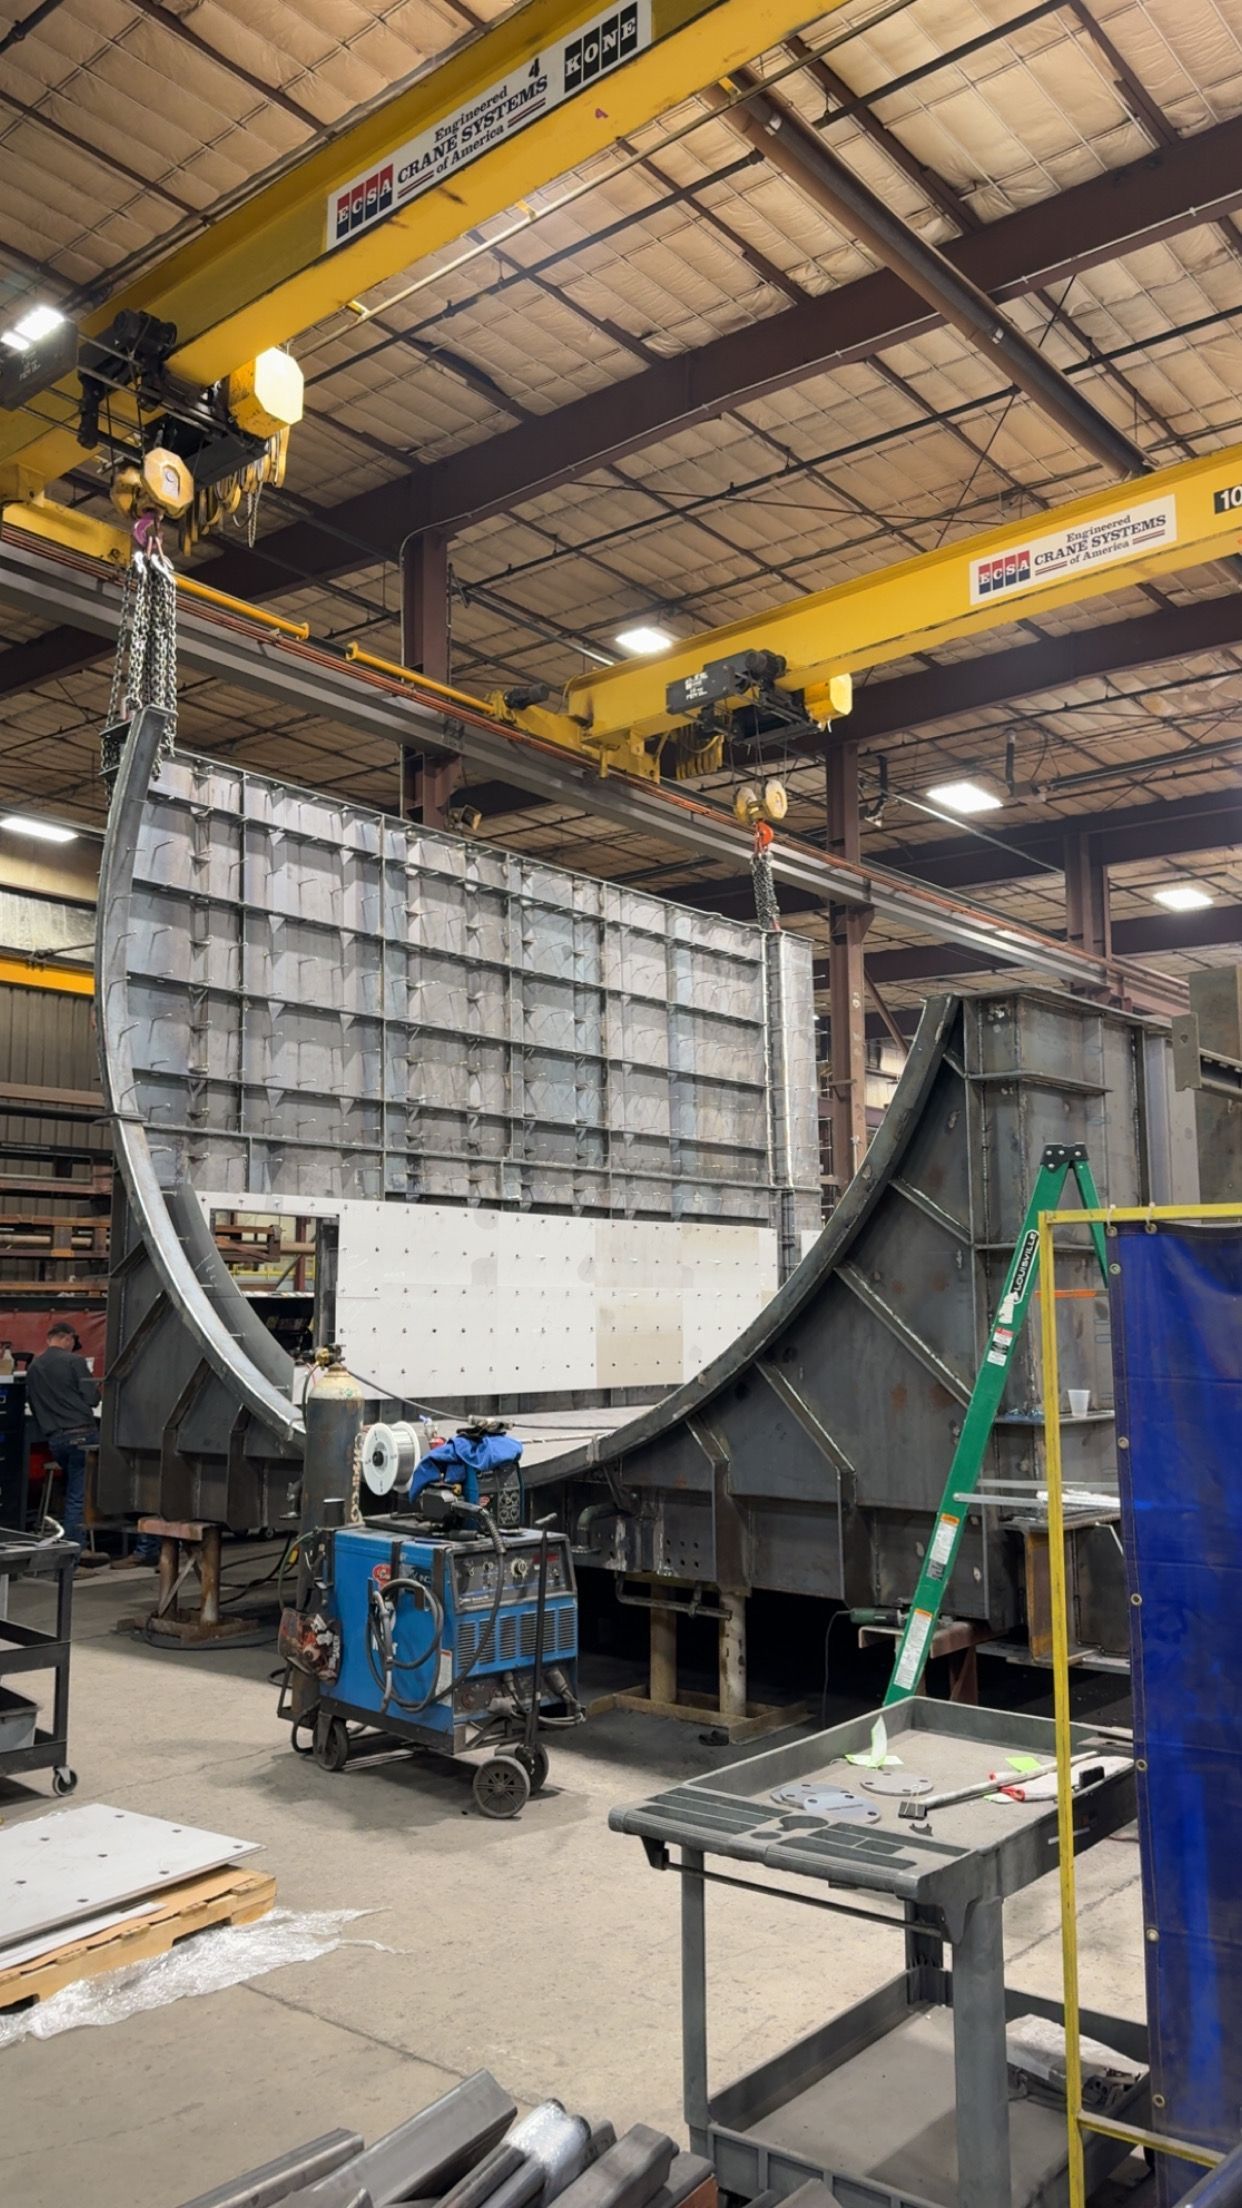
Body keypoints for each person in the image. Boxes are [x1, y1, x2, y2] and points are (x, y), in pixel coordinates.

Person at [25, 1322, 102, 1560]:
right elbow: (92, 1398)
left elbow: (35, 1406)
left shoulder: (34, 1367)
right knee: (79, 1496)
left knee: (72, 1493)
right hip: (82, 1434)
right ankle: (73, 1558)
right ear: (68, 1338)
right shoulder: (74, 1362)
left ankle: (77, 1547)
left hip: (56, 1439)